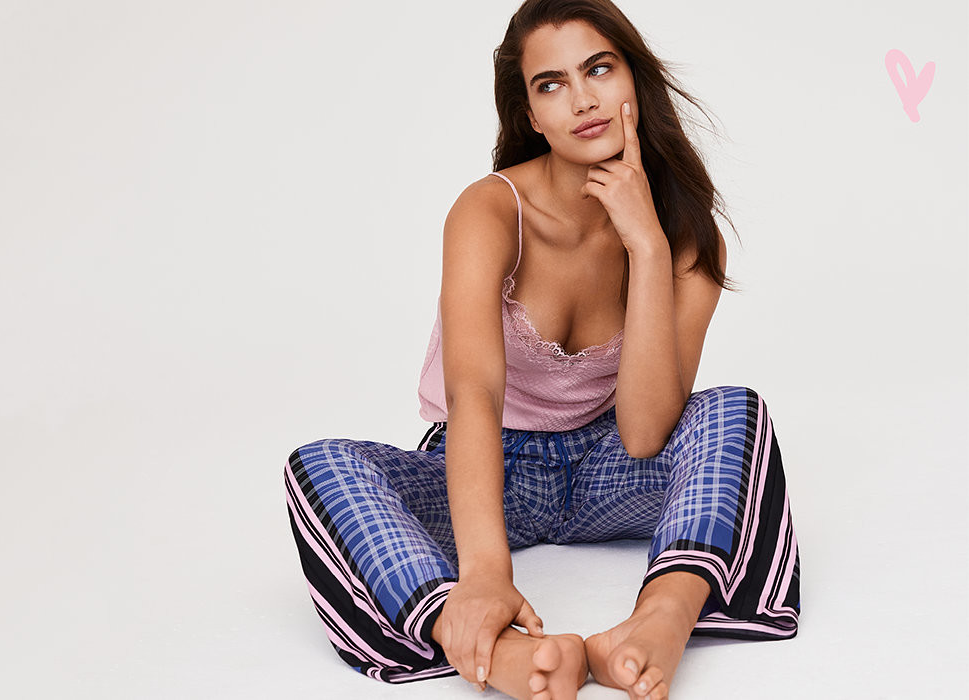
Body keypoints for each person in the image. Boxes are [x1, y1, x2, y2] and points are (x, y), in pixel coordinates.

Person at [283, 1, 800, 698]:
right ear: (530, 114)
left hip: (611, 469)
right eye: (550, 84)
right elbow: (474, 393)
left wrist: (647, 247)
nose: (582, 100)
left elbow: (645, 432)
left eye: (599, 69)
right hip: (491, 470)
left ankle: (660, 620)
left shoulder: (684, 238)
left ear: (634, 79)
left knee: (735, 411)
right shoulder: (491, 209)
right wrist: (485, 575)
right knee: (321, 467)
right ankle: (498, 652)